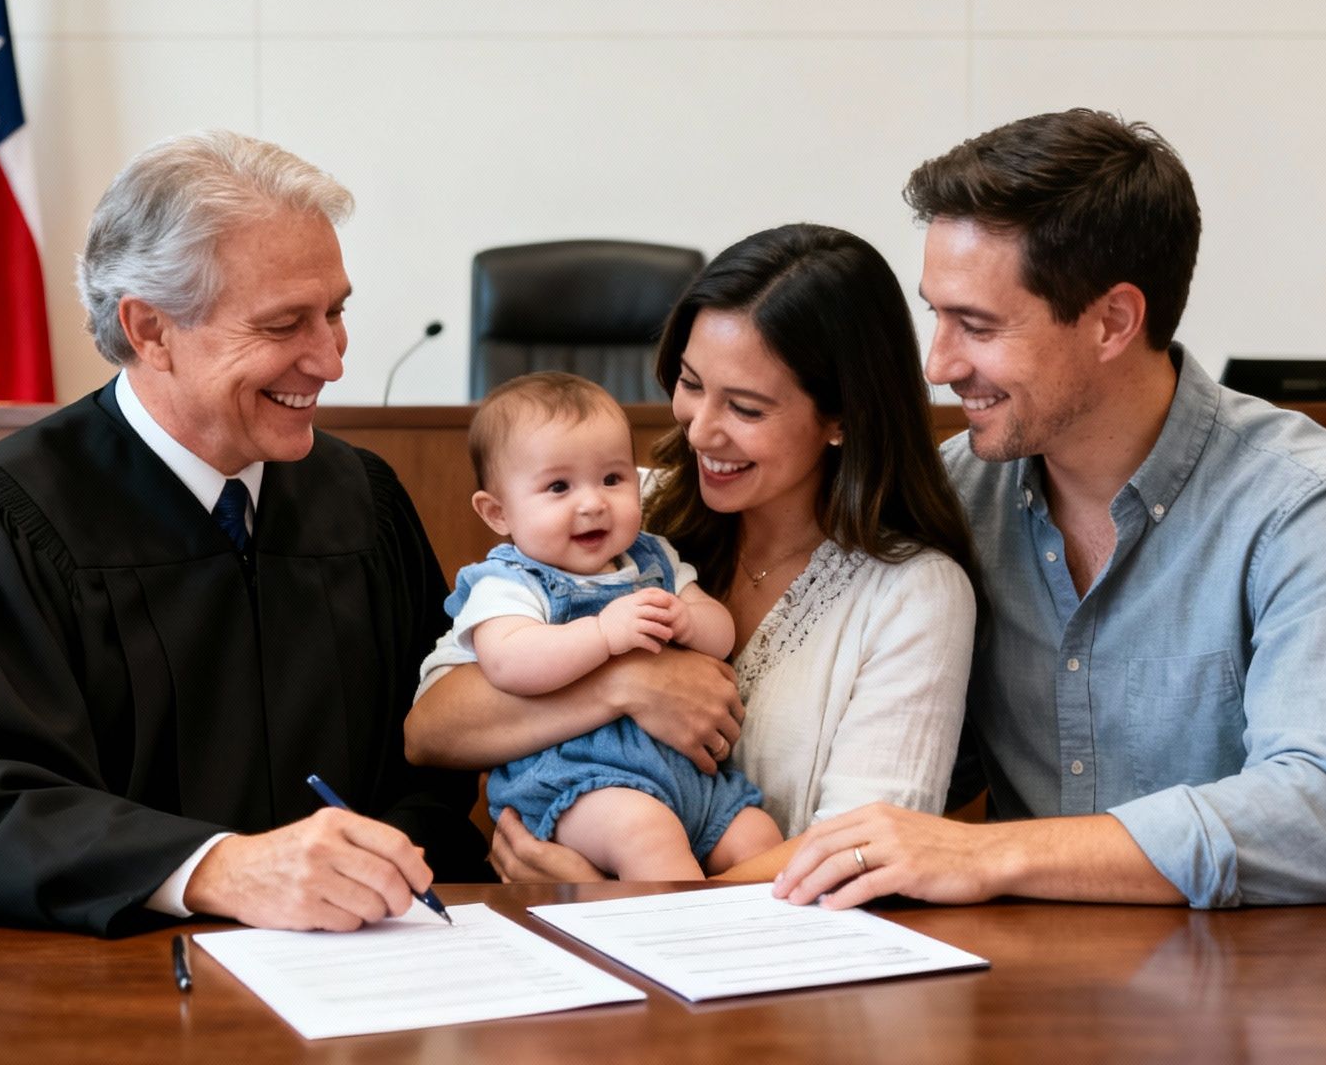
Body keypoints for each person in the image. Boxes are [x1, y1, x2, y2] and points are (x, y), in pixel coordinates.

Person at [0, 131, 487, 936]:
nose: (331, 360)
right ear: (149, 330)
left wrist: (382, 861)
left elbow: (424, 760)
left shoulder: (362, 503)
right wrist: (215, 868)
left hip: (363, 970)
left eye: (336, 312)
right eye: (284, 325)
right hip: (98, 995)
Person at [774, 109, 1326, 912]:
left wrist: (989, 854)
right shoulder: (952, 499)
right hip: (1032, 989)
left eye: (976, 325)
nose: (939, 364)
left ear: (1113, 321)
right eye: (935, 315)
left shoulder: (1309, 503)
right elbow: (902, 756)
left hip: (1284, 991)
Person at [406, 224, 980, 881]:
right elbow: (432, 729)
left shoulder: (913, 594)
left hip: (779, 963)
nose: (700, 429)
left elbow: (859, 851)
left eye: (745, 407)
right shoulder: (621, 513)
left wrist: (610, 897)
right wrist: (624, 684)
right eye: (689, 382)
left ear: (842, 417)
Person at [433, 371, 783, 878]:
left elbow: (721, 635)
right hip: (582, 781)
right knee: (649, 837)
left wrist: (689, 618)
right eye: (558, 486)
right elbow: (510, 662)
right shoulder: (510, 583)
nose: (593, 502)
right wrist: (602, 634)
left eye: (613, 479)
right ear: (497, 513)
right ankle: (681, 950)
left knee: (758, 837)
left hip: (689, 778)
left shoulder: (651, 557)